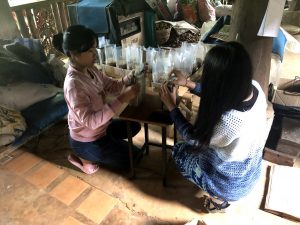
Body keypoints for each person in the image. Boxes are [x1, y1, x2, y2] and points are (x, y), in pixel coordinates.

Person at [160, 41, 268, 212]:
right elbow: (224, 93)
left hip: (230, 184)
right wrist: (188, 83)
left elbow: (193, 138)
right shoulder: (255, 88)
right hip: (249, 173)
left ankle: (219, 198)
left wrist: (172, 106)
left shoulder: (228, 122)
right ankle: (220, 192)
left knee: (179, 151)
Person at [53, 25, 142, 174]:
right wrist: (123, 98)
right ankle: (84, 158)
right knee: (134, 157)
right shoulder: (74, 85)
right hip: (87, 139)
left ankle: (109, 145)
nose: (95, 54)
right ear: (74, 53)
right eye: (90, 50)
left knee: (134, 126)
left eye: (95, 49)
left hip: (103, 128)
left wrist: (127, 79)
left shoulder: (91, 68)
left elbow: (112, 86)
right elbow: (91, 122)